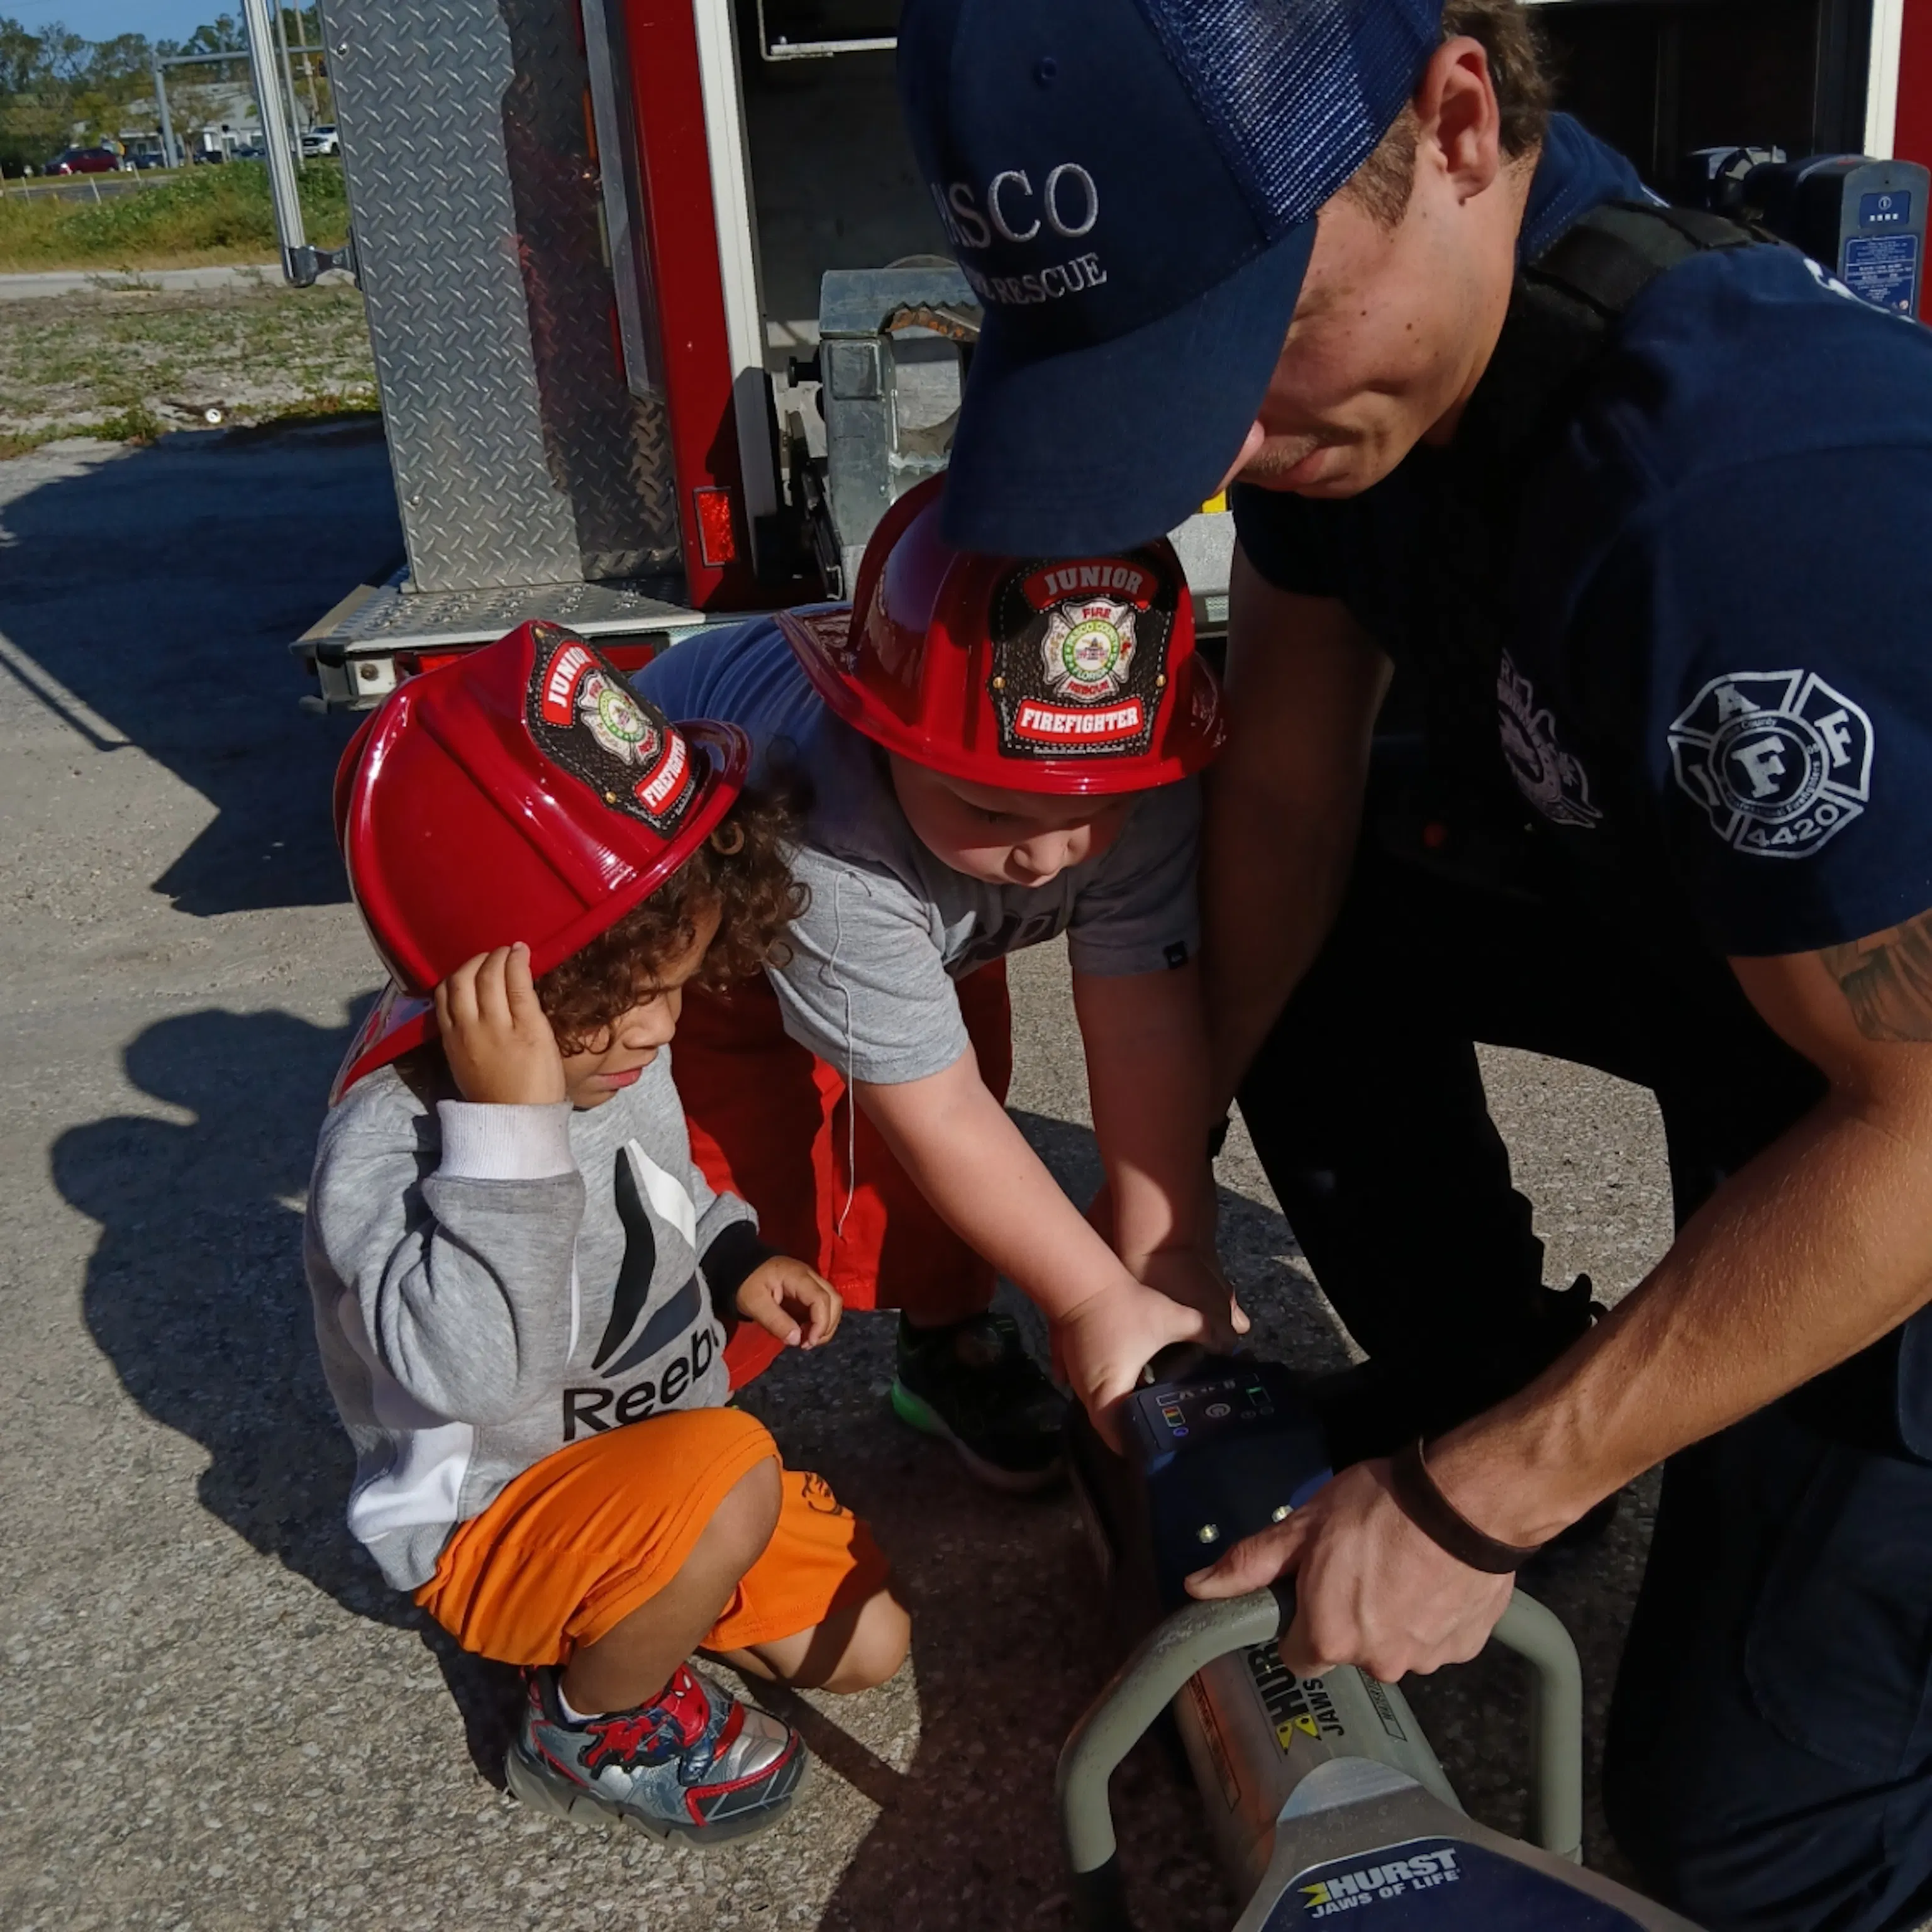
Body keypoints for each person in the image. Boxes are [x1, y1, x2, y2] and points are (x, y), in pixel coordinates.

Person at [899, 0, 1932, 1925]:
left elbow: (1927, 1124)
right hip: (1757, 965)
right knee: (1336, 872)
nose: (1224, 442)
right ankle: (1491, 1365)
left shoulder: (1741, 506)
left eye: (1254, 341)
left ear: (1458, 122)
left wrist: (1484, 1499)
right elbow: (1286, 800)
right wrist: (1157, 1222)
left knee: (1747, 1833)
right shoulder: (1386, 403)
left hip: (1906, 1115)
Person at [304, 621, 909, 1843]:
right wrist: (511, 1139)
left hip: (651, 1467)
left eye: (674, 987)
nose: (654, 1032)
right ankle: (586, 1725)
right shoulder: (391, 1141)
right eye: (621, 1002)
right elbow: (474, 1376)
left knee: (868, 1645)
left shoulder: (611, 1047)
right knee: (732, 1478)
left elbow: (663, 1185)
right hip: (495, 1523)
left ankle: (642, 1603)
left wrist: (735, 1257)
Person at [640, 475, 1242, 1489]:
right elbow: (937, 1110)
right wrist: (1091, 1300)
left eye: (1091, 813)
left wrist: (1165, 1249)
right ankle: (674, 1414)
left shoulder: (1146, 790)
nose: (1046, 858)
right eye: (993, 813)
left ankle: (947, 1336)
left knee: (952, 1119)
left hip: (927, 917)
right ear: (881, 740)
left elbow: (1144, 1026)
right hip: (705, 933)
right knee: (739, 1180)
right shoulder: (826, 827)